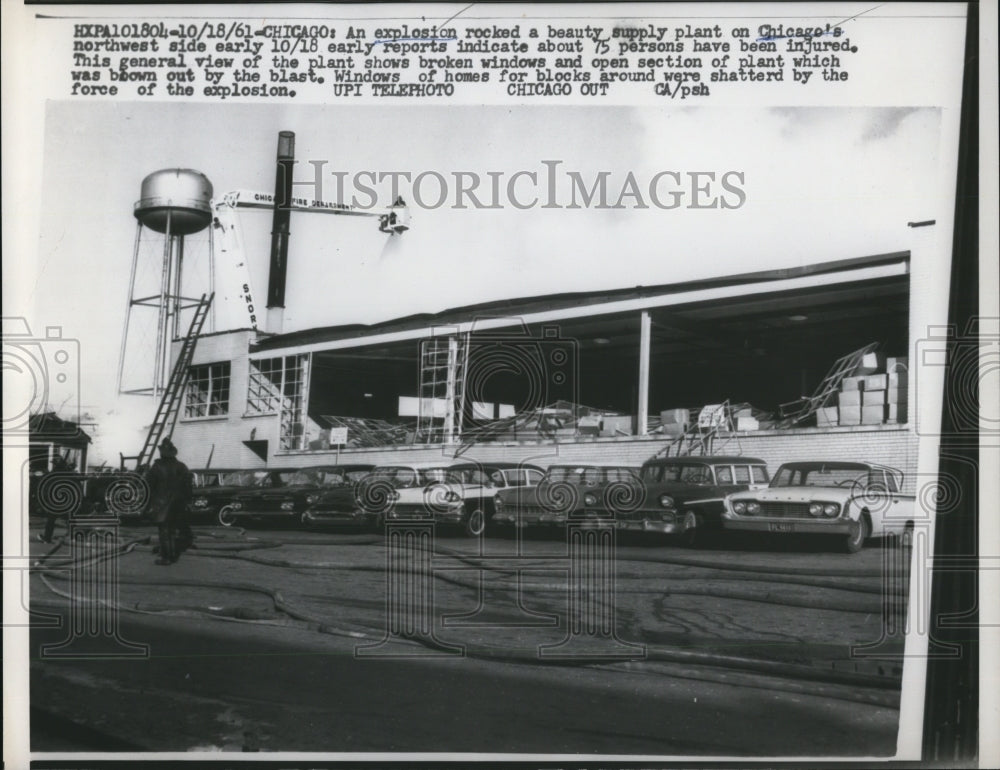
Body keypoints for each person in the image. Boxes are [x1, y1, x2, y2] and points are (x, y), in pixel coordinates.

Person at [144, 438, 193, 565]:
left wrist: (148, 503)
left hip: (161, 503)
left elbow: (148, 485)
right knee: (172, 529)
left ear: (161, 453)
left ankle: (167, 557)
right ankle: (170, 553)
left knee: (164, 530)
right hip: (178, 503)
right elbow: (188, 486)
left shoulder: (156, 467)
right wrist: (186, 501)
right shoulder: (182, 467)